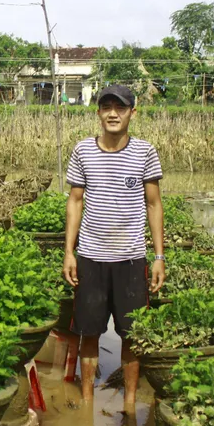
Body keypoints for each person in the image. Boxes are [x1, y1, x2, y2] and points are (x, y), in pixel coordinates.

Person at [62, 84, 166, 407]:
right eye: (106, 107)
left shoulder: (145, 153)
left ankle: (130, 403)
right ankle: (88, 400)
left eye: (119, 108)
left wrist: (159, 256)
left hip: (131, 259)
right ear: (98, 113)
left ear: (132, 113)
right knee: (89, 332)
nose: (112, 113)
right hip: (91, 257)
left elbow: (153, 204)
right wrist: (69, 251)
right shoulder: (83, 151)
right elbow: (75, 201)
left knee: (132, 335)